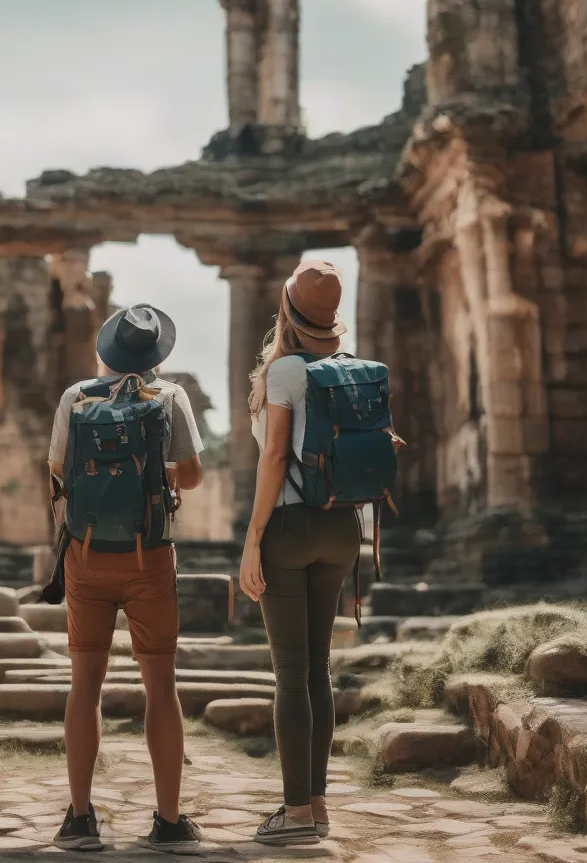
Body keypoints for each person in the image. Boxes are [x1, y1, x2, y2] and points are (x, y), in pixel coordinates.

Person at [47, 304, 206, 854]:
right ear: (155, 354)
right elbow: (192, 474)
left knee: (84, 683)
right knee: (161, 684)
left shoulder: (76, 396)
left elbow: (57, 470)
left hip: (87, 557)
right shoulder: (171, 397)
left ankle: (80, 819)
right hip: (149, 556)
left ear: (108, 349)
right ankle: (167, 821)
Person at [238, 261, 362, 846]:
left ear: (286, 311)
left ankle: (293, 813)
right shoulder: (353, 372)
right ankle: (316, 804)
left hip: (291, 527)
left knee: (291, 671)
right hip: (343, 529)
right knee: (318, 668)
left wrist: (254, 536)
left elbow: (274, 458)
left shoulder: (285, 371)